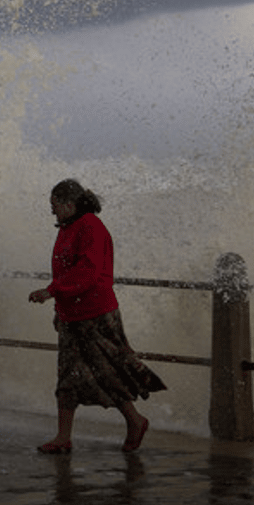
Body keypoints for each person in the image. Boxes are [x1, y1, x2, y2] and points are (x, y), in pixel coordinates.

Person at [27, 179, 167, 453]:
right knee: (67, 376)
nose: (52, 212)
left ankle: (135, 421)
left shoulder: (91, 226)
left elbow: (87, 273)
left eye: (54, 206)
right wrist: (60, 310)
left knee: (107, 372)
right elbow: (65, 273)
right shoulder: (67, 228)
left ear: (70, 204)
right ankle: (63, 438)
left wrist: (51, 292)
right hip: (72, 314)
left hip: (96, 314)